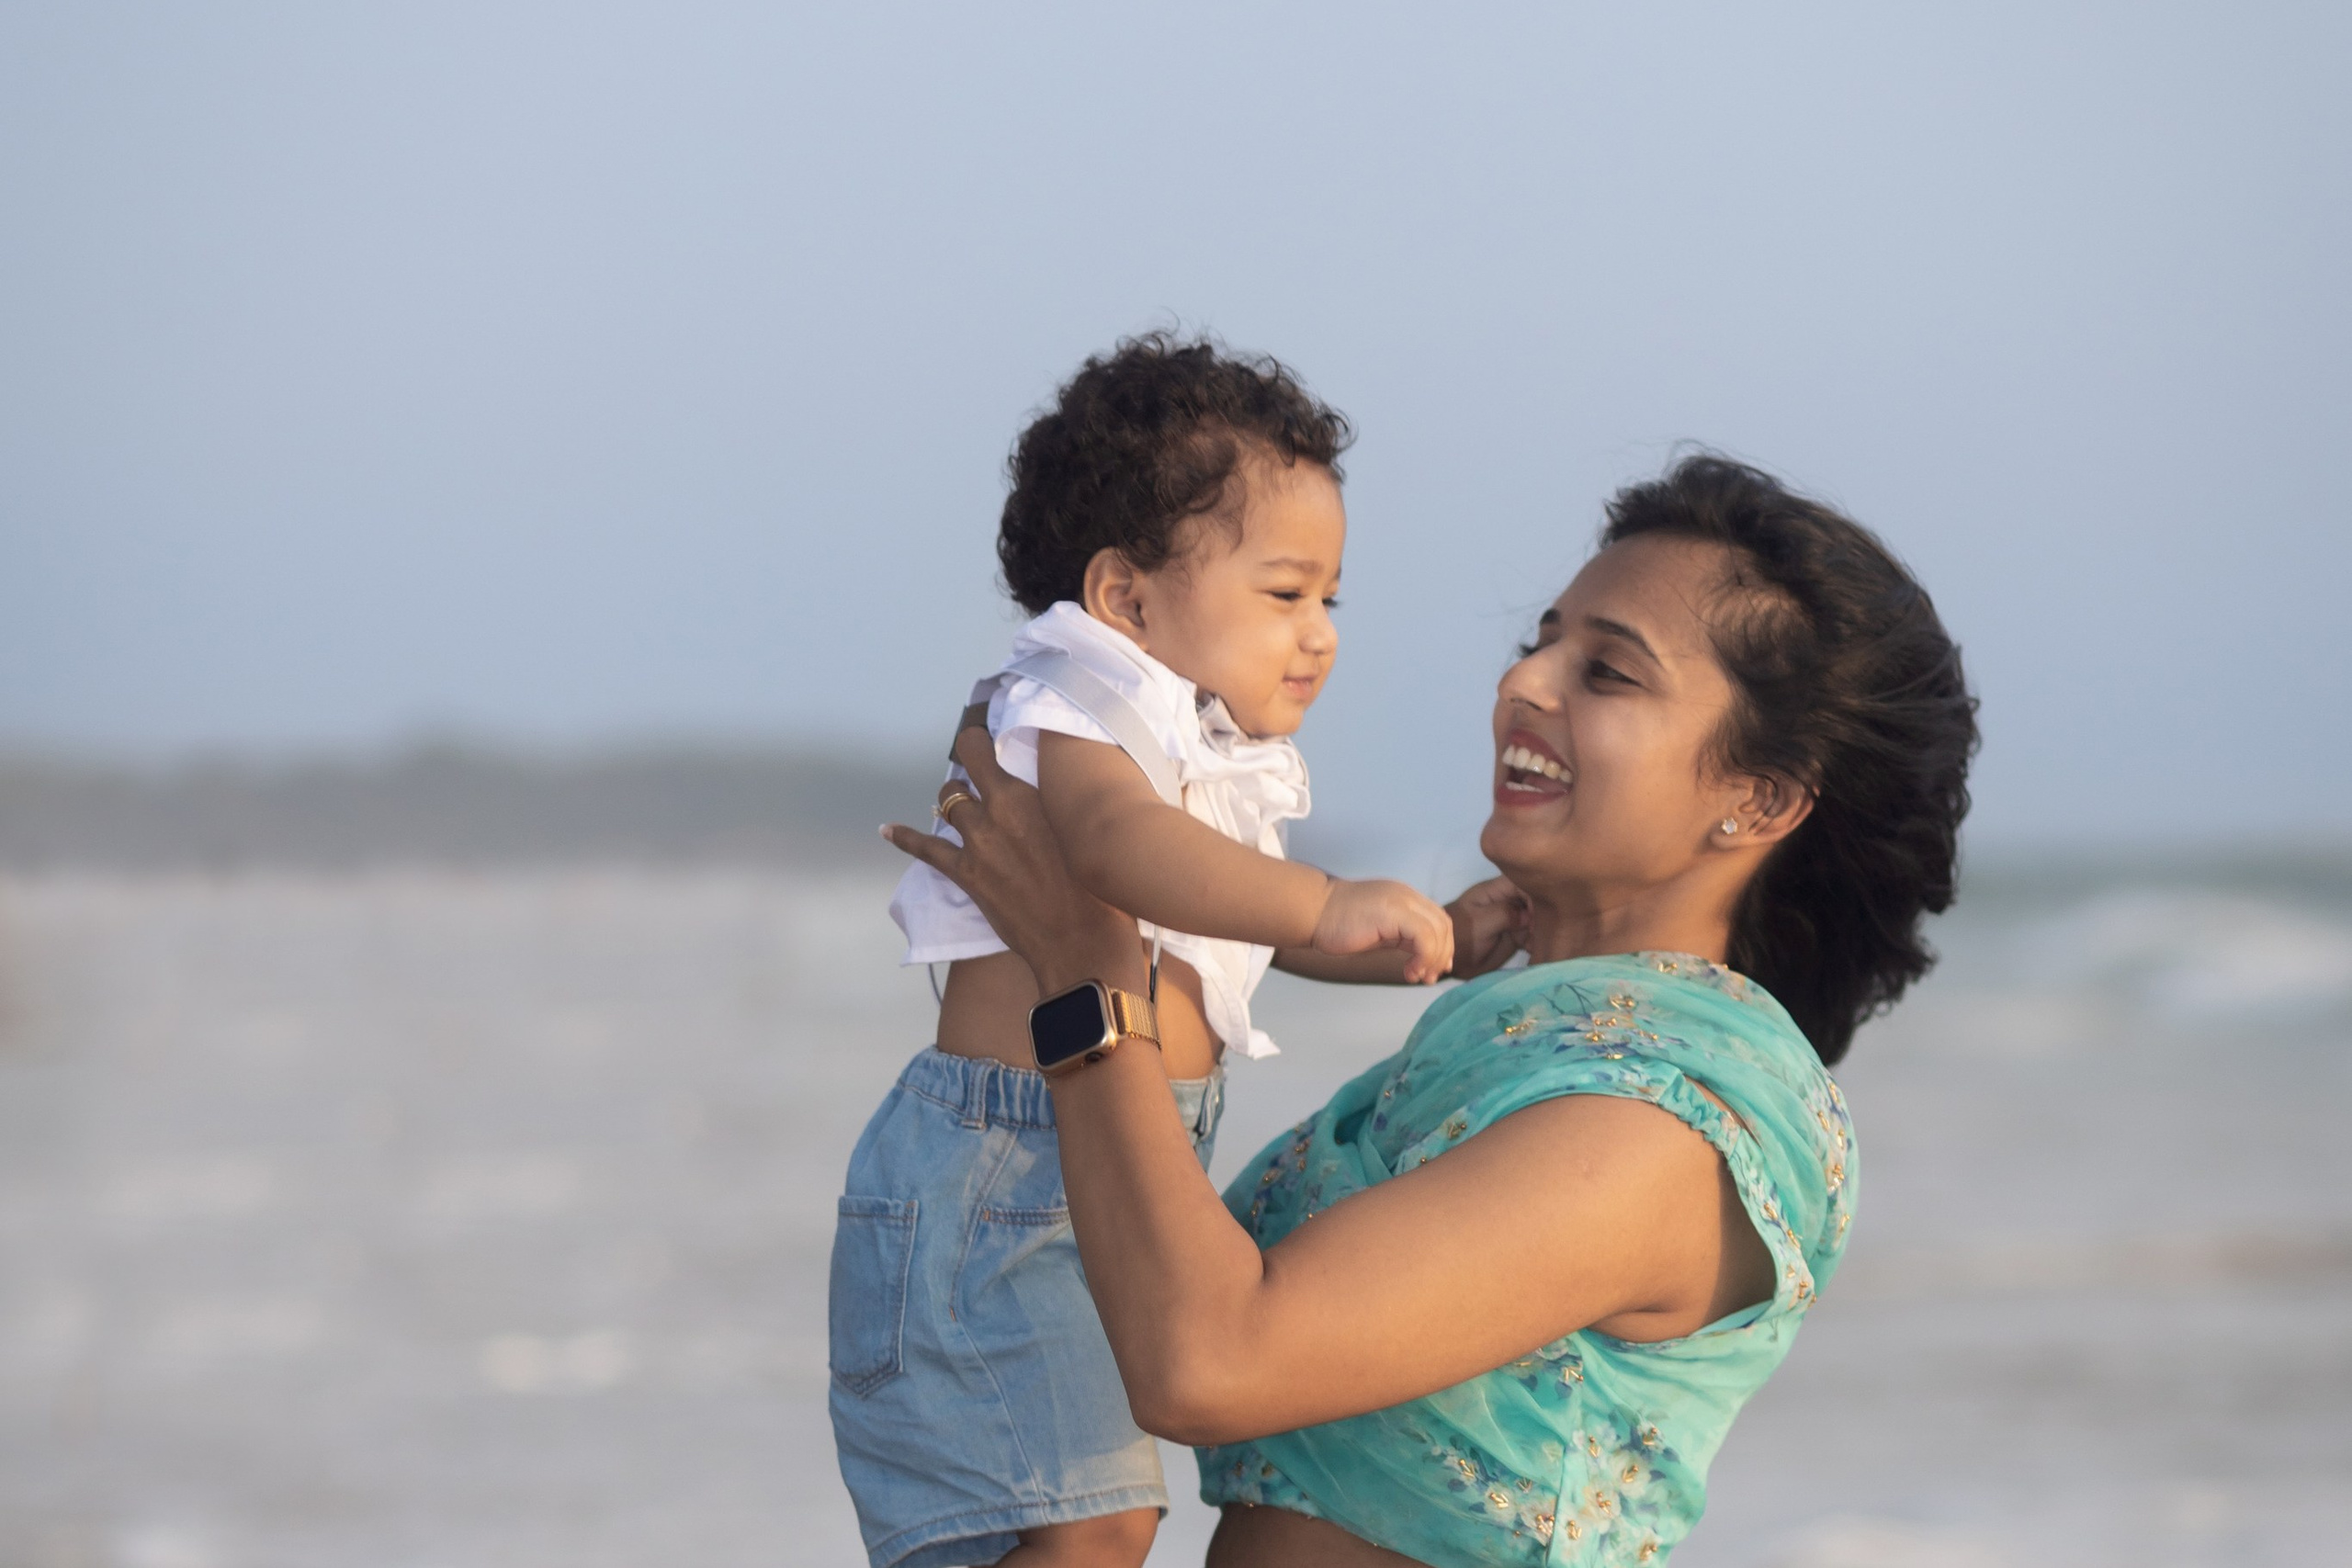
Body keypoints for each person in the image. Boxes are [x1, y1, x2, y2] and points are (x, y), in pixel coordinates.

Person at [886, 456, 1978, 1565]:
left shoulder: (1666, 1122)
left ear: (1758, 799)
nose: (1526, 684)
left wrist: (1087, 972)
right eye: (1538, 642)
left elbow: (1206, 1362)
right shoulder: (1524, 1037)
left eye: (1606, 673)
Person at [832, 334, 1463, 1568]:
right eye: (1284, 594)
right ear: (1124, 597)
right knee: (1085, 1523)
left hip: (1107, 1156)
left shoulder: (1199, 754)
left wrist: (1415, 939)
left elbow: (1224, 930)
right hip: (998, 1162)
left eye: (1332, 598)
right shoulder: (1064, 700)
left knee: (1091, 1521)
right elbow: (1118, 851)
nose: (1319, 633)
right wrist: (1325, 898)